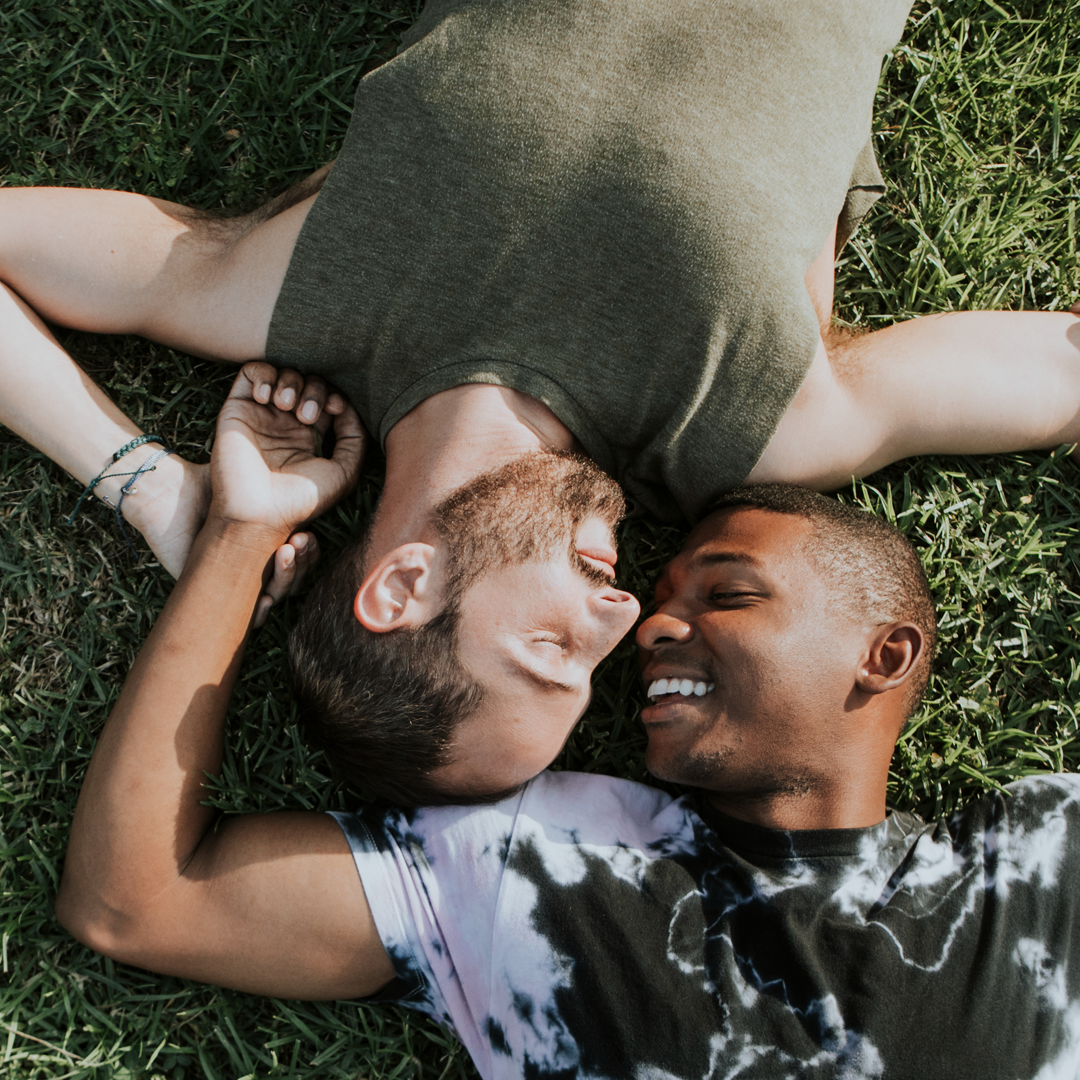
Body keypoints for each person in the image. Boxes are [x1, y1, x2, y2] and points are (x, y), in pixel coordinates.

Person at [8, 0, 1080, 801]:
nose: (624, 619)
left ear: (406, 584)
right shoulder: (750, 428)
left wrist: (148, 489)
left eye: (552, 652)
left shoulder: (291, 299)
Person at [55, 412, 1080, 1076]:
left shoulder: (1043, 865)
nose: (652, 625)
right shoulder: (530, 862)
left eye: (728, 595)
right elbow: (134, 899)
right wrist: (241, 536)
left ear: (886, 654)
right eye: (662, 598)